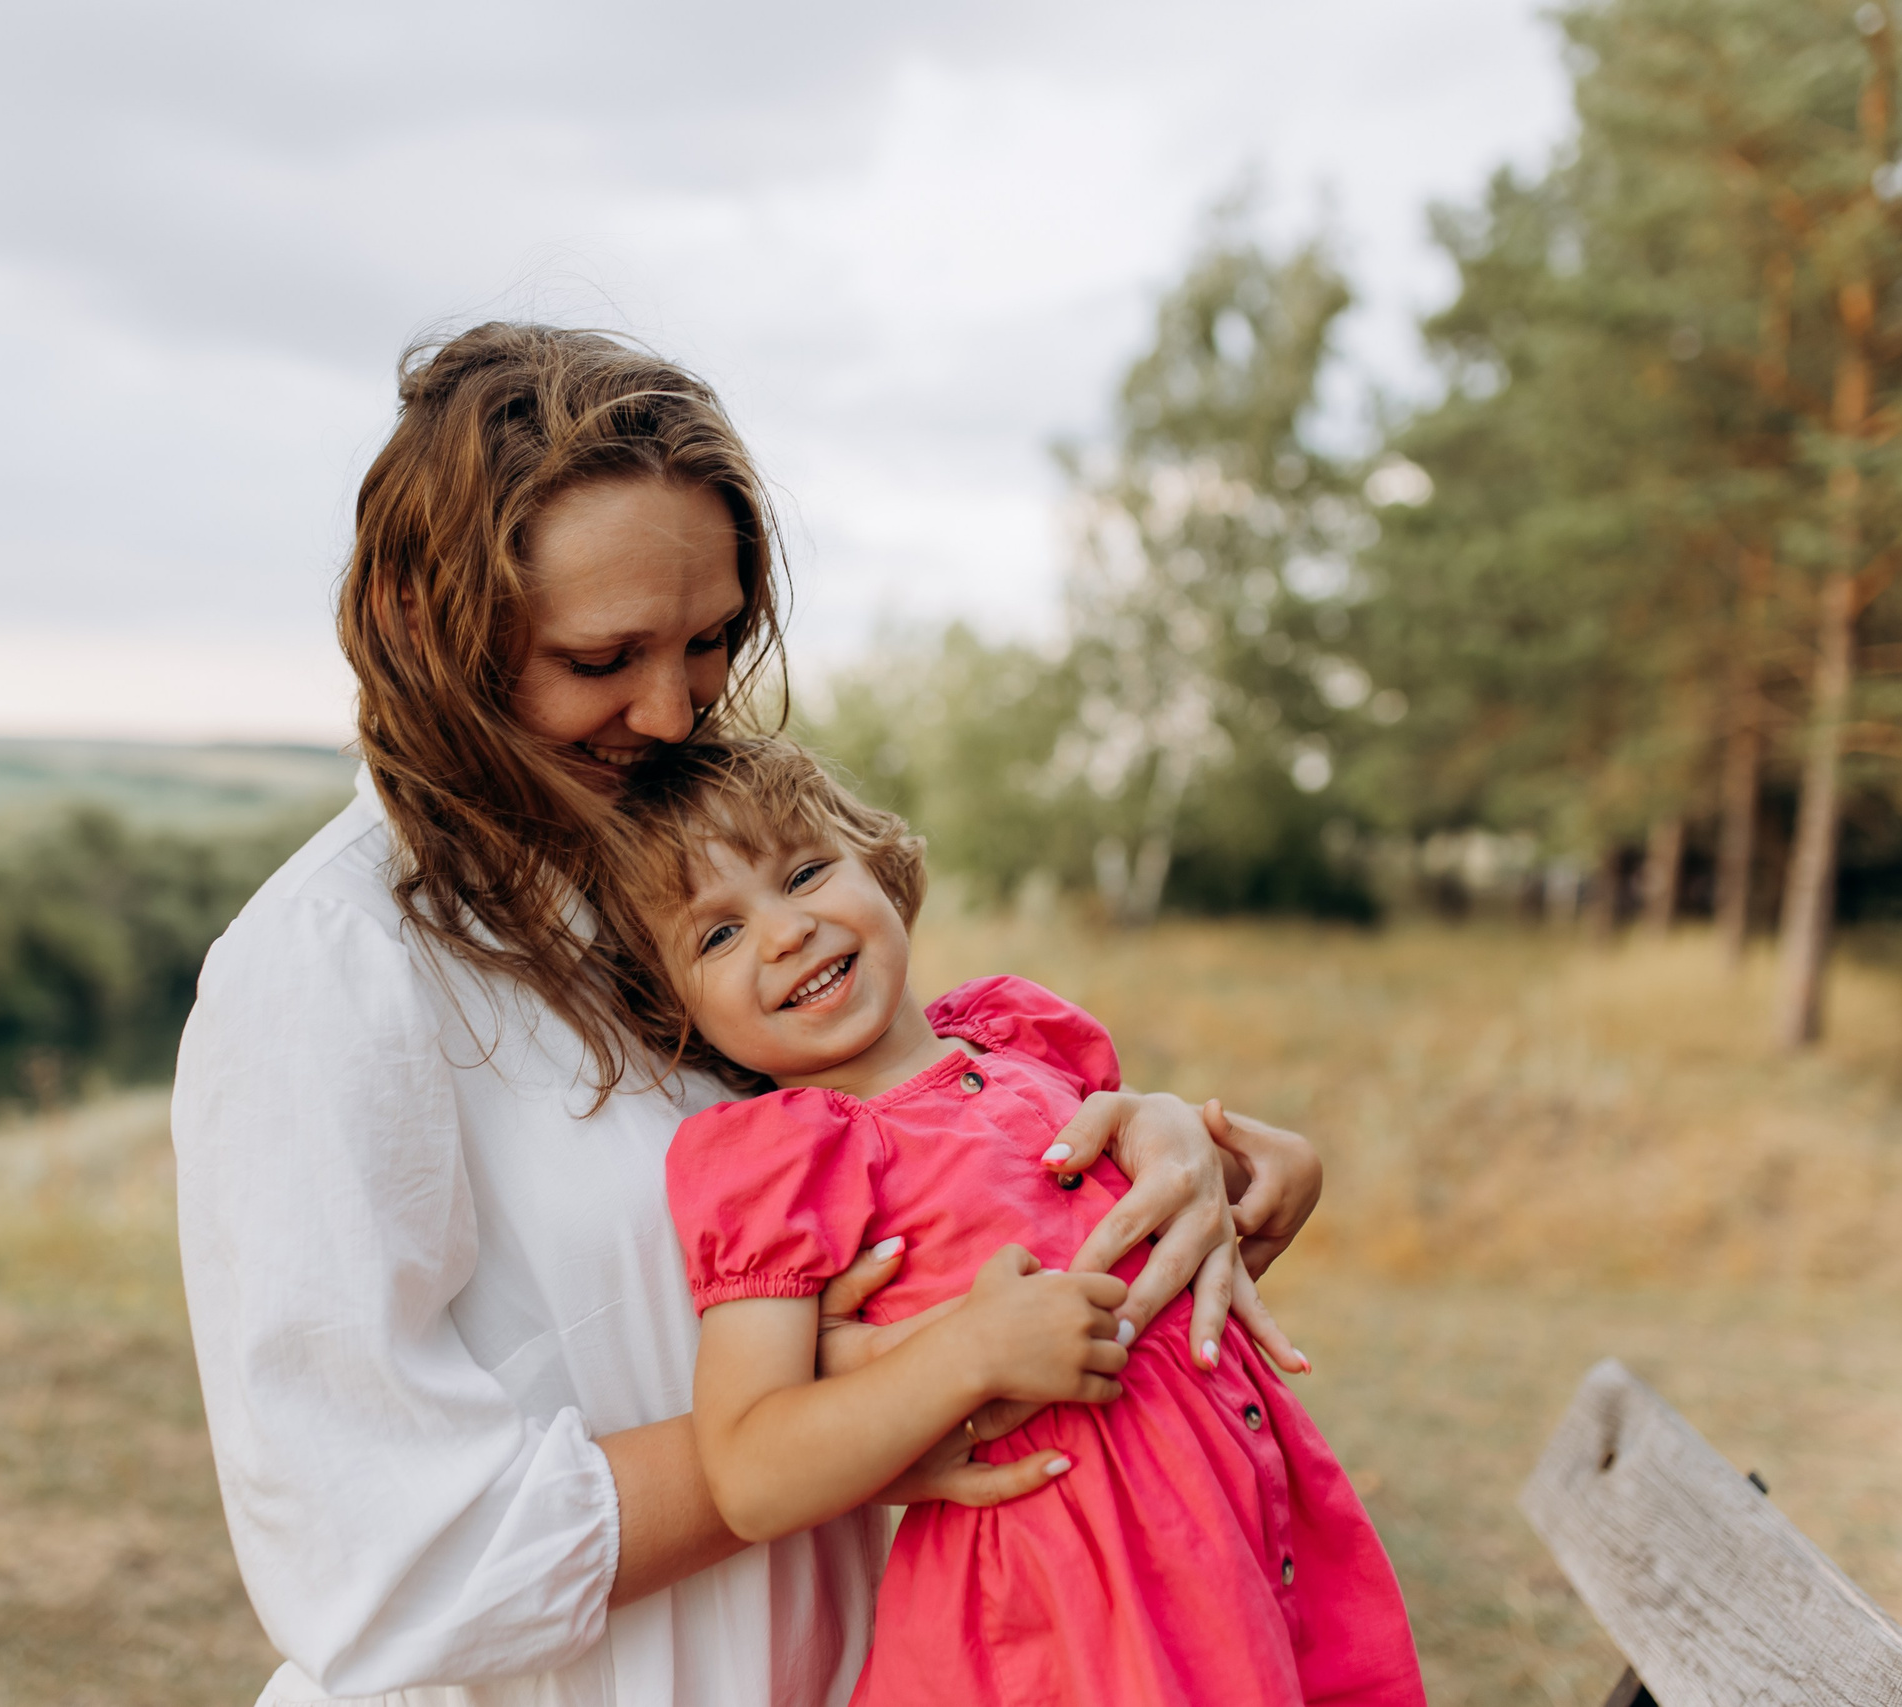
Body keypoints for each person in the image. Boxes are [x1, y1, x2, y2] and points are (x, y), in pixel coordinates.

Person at [171, 322, 1329, 1707]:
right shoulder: (325, 970)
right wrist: (861, 1423)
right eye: (603, 657)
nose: (670, 710)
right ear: (431, 631)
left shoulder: (676, 897)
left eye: (710, 639)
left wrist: (1150, 1139)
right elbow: (383, 1561)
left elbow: (900, 1144)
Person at [615, 736, 1425, 1707]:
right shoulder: (782, 1157)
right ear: (673, 1012)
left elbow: (1139, 1294)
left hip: (1241, 1523)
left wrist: (1256, 1182)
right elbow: (750, 1470)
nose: (784, 932)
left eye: (804, 871)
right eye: (717, 935)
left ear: (878, 858)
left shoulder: (1021, 1040)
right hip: (1070, 1608)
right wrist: (970, 1355)